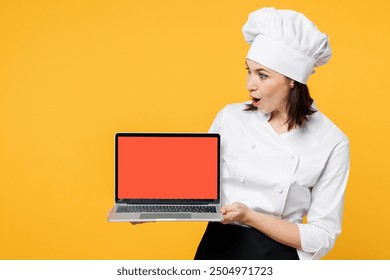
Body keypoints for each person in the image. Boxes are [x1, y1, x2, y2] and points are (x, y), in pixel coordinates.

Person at [194, 7, 350, 260]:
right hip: (218, 247)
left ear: (293, 81)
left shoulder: (332, 141)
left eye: (263, 75)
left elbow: (321, 237)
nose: (249, 85)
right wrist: (152, 207)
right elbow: (197, 186)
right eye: (248, 70)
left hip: (277, 255)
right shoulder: (230, 118)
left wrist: (249, 216)